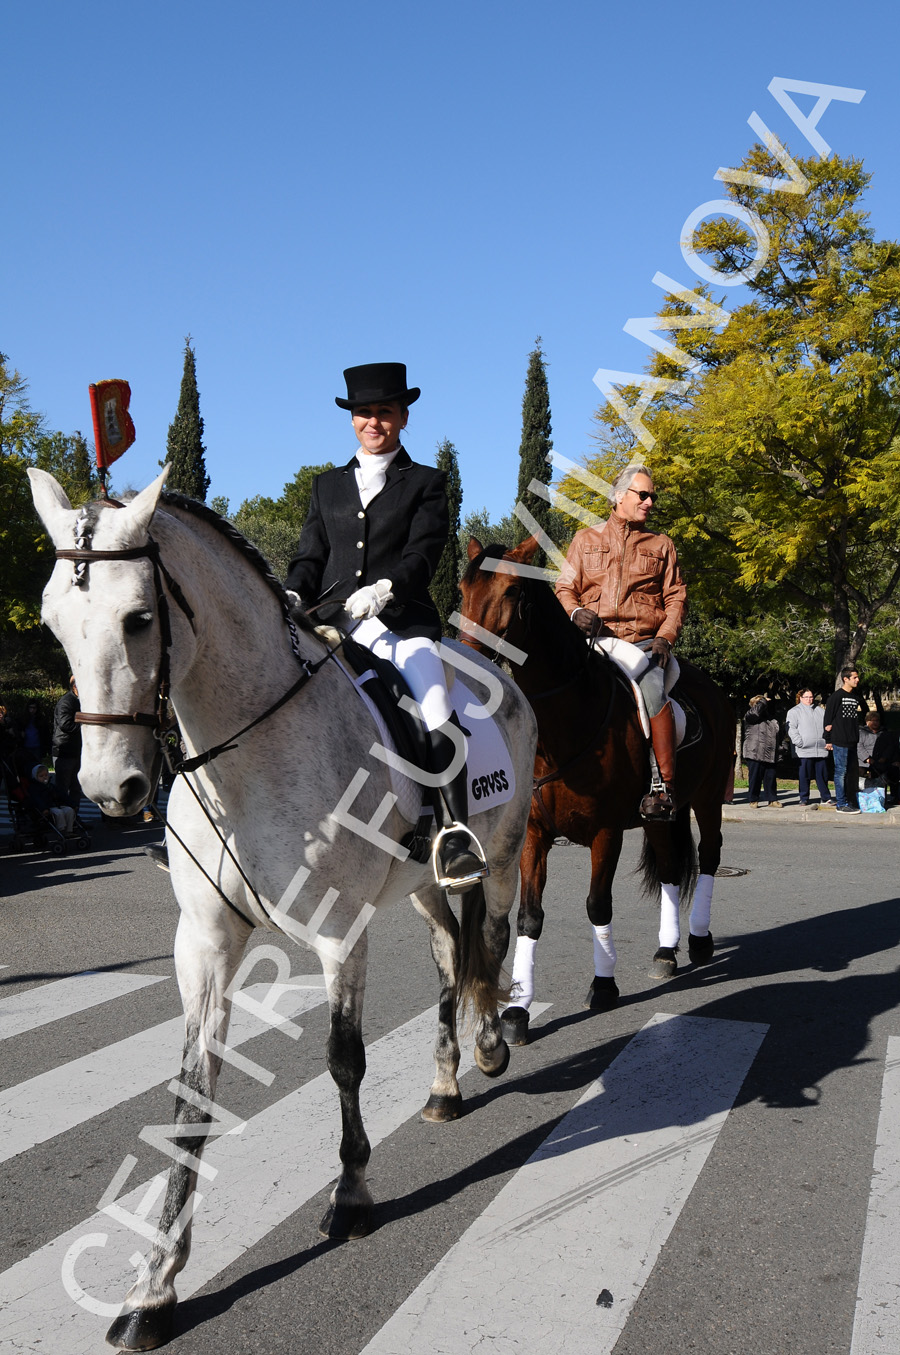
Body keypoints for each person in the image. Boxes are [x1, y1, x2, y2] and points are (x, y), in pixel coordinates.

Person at [285, 362, 485, 889]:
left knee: (437, 708)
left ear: (402, 416)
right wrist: (292, 593)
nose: (374, 422)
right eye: (364, 413)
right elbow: (310, 556)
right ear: (352, 418)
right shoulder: (326, 486)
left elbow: (424, 553)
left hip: (400, 623)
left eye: (385, 413)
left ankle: (454, 834)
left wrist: (385, 589)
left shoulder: (427, 482)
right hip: (331, 623)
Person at [555, 465, 686, 820]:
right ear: (619, 496)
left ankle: (664, 788)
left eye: (652, 496)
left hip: (643, 644)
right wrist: (573, 613)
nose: (649, 501)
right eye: (642, 494)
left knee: (654, 688)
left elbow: (675, 597)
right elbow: (565, 587)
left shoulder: (662, 544)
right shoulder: (585, 539)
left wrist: (665, 638)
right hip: (591, 643)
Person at [823, 667, 868, 814]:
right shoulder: (836, 697)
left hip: (852, 740)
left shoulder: (855, 697)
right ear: (845, 679)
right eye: (854, 677)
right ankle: (841, 804)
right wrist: (828, 740)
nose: (857, 680)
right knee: (840, 772)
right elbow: (827, 719)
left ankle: (850, 801)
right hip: (839, 740)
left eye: (857, 677)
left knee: (851, 773)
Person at [785, 687, 833, 809]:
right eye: (806, 697)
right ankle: (804, 798)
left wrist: (828, 741)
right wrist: (799, 742)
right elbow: (791, 729)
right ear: (800, 698)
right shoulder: (794, 711)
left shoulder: (820, 711)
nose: (809, 699)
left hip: (821, 749)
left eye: (811, 697)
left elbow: (828, 727)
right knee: (804, 775)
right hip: (804, 750)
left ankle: (826, 797)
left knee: (822, 775)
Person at [742, 695, 782, 808]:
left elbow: (780, 735)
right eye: (761, 705)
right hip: (754, 752)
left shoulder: (772, 720)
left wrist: (782, 748)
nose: (765, 707)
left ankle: (772, 799)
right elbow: (755, 713)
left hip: (770, 753)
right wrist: (763, 701)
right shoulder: (750, 717)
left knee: (771, 777)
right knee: (755, 778)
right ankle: (753, 799)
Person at [52, 677, 82, 811]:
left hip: (75, 750)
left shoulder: (78, 701)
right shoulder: (66, 702)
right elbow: (65, 724)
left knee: (76, 787)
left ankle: (75, 816)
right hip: (64, 750)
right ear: (75, 687)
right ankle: (64, 815)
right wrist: (85, 726)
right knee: (63, 787)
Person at [858, 710, 900, 804]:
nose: (876, 723)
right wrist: (867, 758)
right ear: (867, 722)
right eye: (873, 720)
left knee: (894, 770)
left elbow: (890, 747)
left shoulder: (884, 733)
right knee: (860, 771)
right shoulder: (861, 732)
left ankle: (894, 796)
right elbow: (859, 747)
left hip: (882, 760)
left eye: (877, 720)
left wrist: (885, 757)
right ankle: (863, 796)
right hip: (865, 761)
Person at [28, 763, 76, 835]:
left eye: (46, 775)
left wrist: (72, 804)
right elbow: (37, 800)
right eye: (41, 776)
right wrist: (44, 809)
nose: (44, 777)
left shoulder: (51, 786)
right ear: (35, 777)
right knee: (58, 813)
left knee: (69, 810)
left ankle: (69, 830)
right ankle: (61, 830)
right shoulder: (35, 788)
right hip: (47, 808)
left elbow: (63, 795)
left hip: (56, 805)